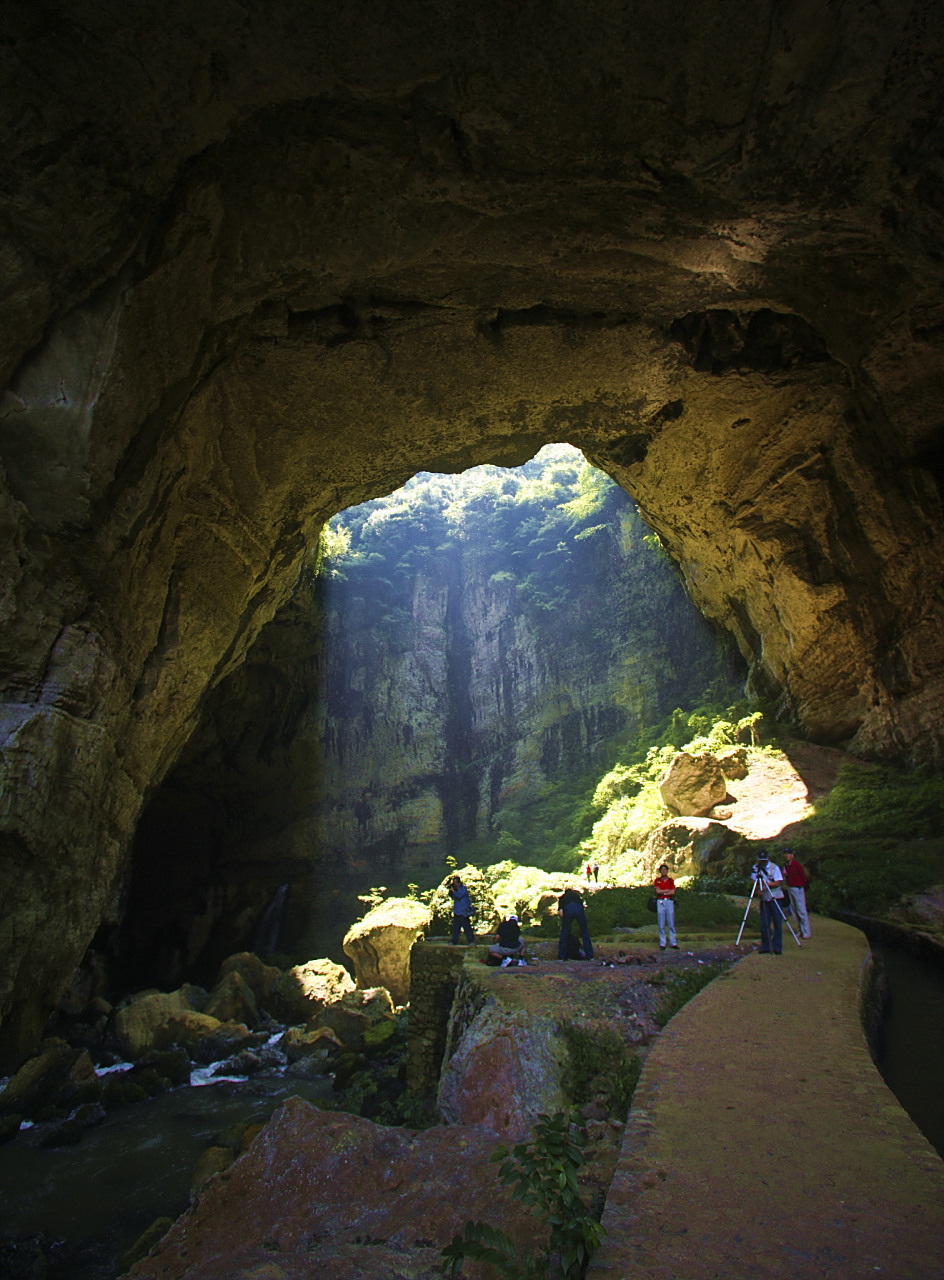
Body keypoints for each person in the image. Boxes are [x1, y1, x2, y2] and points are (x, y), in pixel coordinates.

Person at [751, 849, 786, 954]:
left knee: (777, 922)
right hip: (764, 898)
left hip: (775, 897)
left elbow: (777, 882)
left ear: (768, 858)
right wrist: (758, 890)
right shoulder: (756, 868)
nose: (763, 862)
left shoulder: (775, 868)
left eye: (764, 860)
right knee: (764, 923)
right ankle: (766, 946)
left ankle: (777, 946)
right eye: (761, 860)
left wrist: (765, 884)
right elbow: (753, 881)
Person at [783, 848, 812, 939]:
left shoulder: (797, 865)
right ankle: (801, 930)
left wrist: (801, 886)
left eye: (788, 854)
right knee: (794, 909)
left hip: (798, 888)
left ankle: (806, 931)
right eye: (786, 854)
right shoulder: (786, 865)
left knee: (801, 909)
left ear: (792, 855)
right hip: (791, 888)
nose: (787, 856)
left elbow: (803, 877)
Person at [558, 887, 593, 961]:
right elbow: (582, 909)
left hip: (568, 909)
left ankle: (562, 956)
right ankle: (590, 956)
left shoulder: (562, 897)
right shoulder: (577, 896)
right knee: (585, 932)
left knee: (564, 933)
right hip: (579, 909)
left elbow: (561, 913)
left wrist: (565, 923)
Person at [654, 863, 678, 950]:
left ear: (667, 871)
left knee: (671, 922)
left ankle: (673, 943)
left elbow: (673, 892)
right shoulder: (657, 881)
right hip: (660, 902)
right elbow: (658, 892)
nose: (664, 871)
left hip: (669, 901)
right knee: (661, 923)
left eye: (665, 869)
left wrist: (663, 892)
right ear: (660, 871)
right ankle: (662, 943)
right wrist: (667, 891)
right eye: (662, 870)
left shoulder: (671, 881)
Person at [448, 874, 475, 945]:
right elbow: (452, 897)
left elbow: (459, 896)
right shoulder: (455, 890)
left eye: (455, 883)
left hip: (463, 912)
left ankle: (471, 941)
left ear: (458, 882)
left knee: (467, 928)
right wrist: (451, 891)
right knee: (456, 928)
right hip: (457, 912)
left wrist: (453, 891)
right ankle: (453, 941)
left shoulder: (463, 888)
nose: (454, 885)